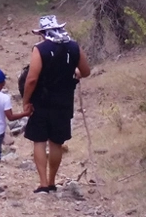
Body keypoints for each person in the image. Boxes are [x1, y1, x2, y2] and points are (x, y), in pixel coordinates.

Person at [21, 15, 91, 194]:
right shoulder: (74, 47)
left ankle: (43, 184)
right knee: (56, 143)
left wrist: (26, 101)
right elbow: (86, 71)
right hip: (64, 101)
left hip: (42, 101)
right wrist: (73, 70)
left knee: (39, 141)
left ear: (43, 33)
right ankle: (52, 181)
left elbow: (32, 79)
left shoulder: (40, 49)